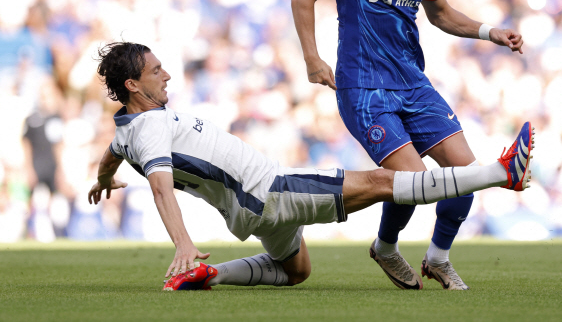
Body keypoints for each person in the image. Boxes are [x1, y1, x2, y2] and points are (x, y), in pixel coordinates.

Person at [87, 42, 534, 290]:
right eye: (156, 71)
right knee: (385, 181)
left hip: (247, 209)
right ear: (132, 84)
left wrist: (105, 177)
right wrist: (183, 244)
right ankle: (500, 173)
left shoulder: (129, 130)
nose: (167, 75)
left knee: (296, 271)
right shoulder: (146, 129)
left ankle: (210, 275)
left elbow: (114, 150)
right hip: (268, 189)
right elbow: (162, 189)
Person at [291, 0, 526, 290]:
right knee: (416, 183)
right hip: (364, 89)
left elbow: (442, 15)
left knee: (463, 172)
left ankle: (438, 258)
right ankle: (385, 246)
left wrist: (492, 32)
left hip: (413, 84)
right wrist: (313, 58)